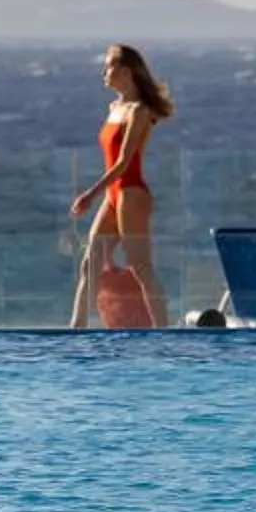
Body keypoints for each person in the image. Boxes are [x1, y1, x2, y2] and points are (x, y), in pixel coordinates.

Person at [71, 42, 172, 327]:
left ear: (125, 71)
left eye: (109, 66)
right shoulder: (115, 107)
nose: (104, 71)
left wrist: (90, 194)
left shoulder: (138, 111)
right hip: (114, 195)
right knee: (90, 263)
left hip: (131, 193)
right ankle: (75, 329)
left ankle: (165, 332)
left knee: (140, 267)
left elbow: (124, 163)